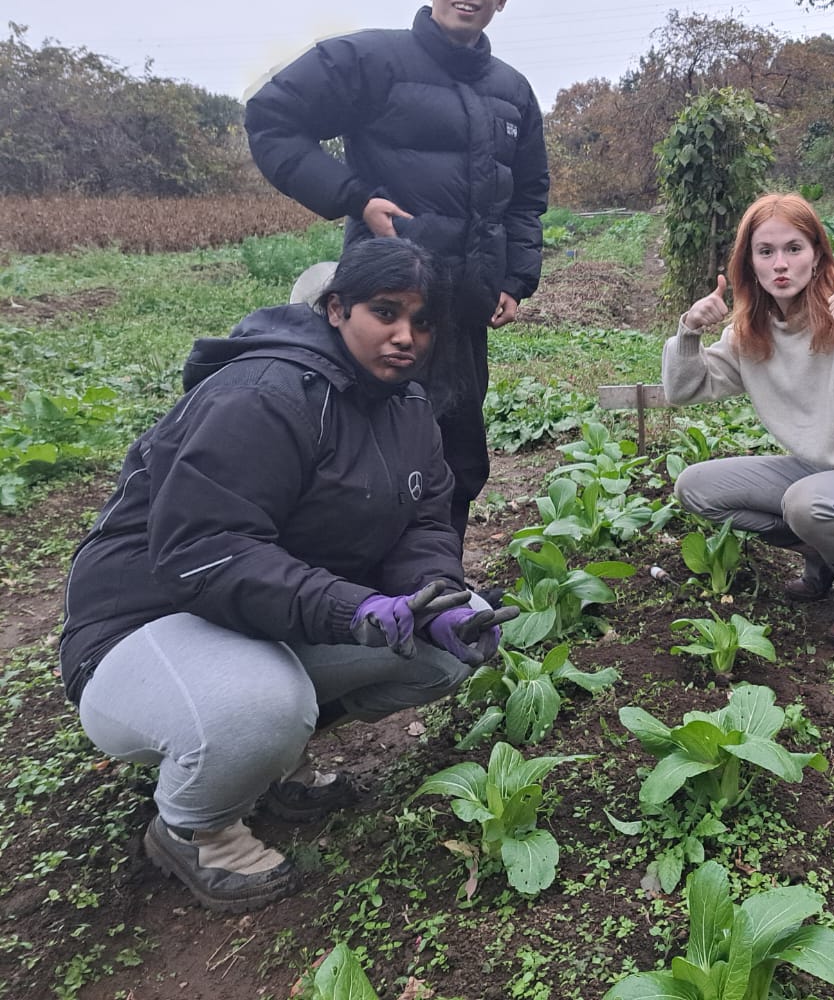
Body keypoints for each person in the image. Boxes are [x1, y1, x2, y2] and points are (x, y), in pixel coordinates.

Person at [60, 240, 514, 913]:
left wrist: (439, 600)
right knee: (262, 707)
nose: (404, 337)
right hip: (144, 626)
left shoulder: (404, 406)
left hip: (258, 615)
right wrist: (347, 607)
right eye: (384, 313)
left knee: (438, 654)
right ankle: (195, 829)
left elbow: (422, 522)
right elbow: (205, 552)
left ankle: (261, 765)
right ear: (336, 309)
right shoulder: (263, 394)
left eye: (421, 323)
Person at [245, 0, 549, 539]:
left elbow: (527, 195)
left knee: (457, 457)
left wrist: (516, 277)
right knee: (370, 451)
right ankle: (360, 596)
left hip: (461, 310)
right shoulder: (372, 59)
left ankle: (439, 590)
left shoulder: (512, 92)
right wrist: (355, 197)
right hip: (384, 299)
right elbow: (272, 117)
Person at [662, 194, 834, 646]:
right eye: (766, 251)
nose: (780, 264)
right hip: (820, 478)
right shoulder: (749, 331)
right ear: (748, 262)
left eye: (794, 249)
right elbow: (684, 389)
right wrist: (689, 331)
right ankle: (827, 552)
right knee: (696, 487)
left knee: (805, 502)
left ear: (817, 256)